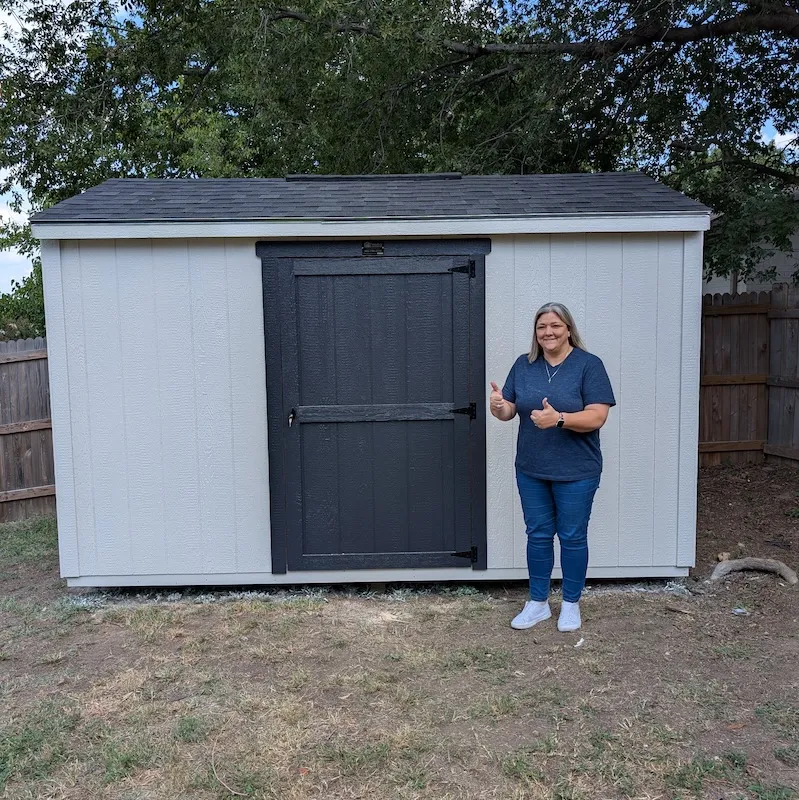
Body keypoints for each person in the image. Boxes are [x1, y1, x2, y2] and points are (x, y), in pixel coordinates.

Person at [489, 302, 615, 632]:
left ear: (568, 329)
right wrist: (499, 406)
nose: (548, 332)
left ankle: (571, 604)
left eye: (556, 326)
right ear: (536, 332)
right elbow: (508, 411)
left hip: (577, 471)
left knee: (572, 537)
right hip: (531, 468)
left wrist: (559, 419)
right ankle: (538, 604)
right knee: (538, 535)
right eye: (542, 326)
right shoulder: (524, 365)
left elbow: (597, 416)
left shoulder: (588, 365)